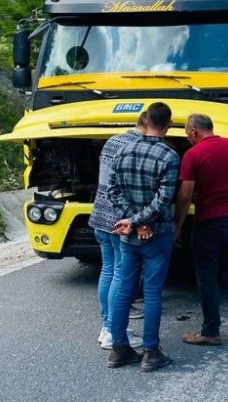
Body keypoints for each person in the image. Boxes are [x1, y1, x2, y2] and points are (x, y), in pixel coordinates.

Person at [106, 102, 179, 371]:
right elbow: (163, 201)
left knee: (124, 290)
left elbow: (112, 191)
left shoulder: (122, 150)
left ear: (145, 119)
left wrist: (132, 223)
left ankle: (118, 349)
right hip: (157, 235)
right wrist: (140, 222)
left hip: (128, 237)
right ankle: (150, 352)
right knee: (152, 292)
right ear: (168, 124)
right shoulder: (169, 156)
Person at [174, 114, 228, 346]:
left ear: (195, 131)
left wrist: (177, 226)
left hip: (208, 222)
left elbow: (185, 194)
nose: (188, 138)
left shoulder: (193, 154)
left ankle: (210, 331)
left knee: (207, 277)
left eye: (188, 133)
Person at [87, 114, 145, 350]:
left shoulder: (112, 140)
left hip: (99, 215)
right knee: (121, 274)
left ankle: (106, 327)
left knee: (108, 270)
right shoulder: (137, 147)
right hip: (120, 219)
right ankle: (114, 331)